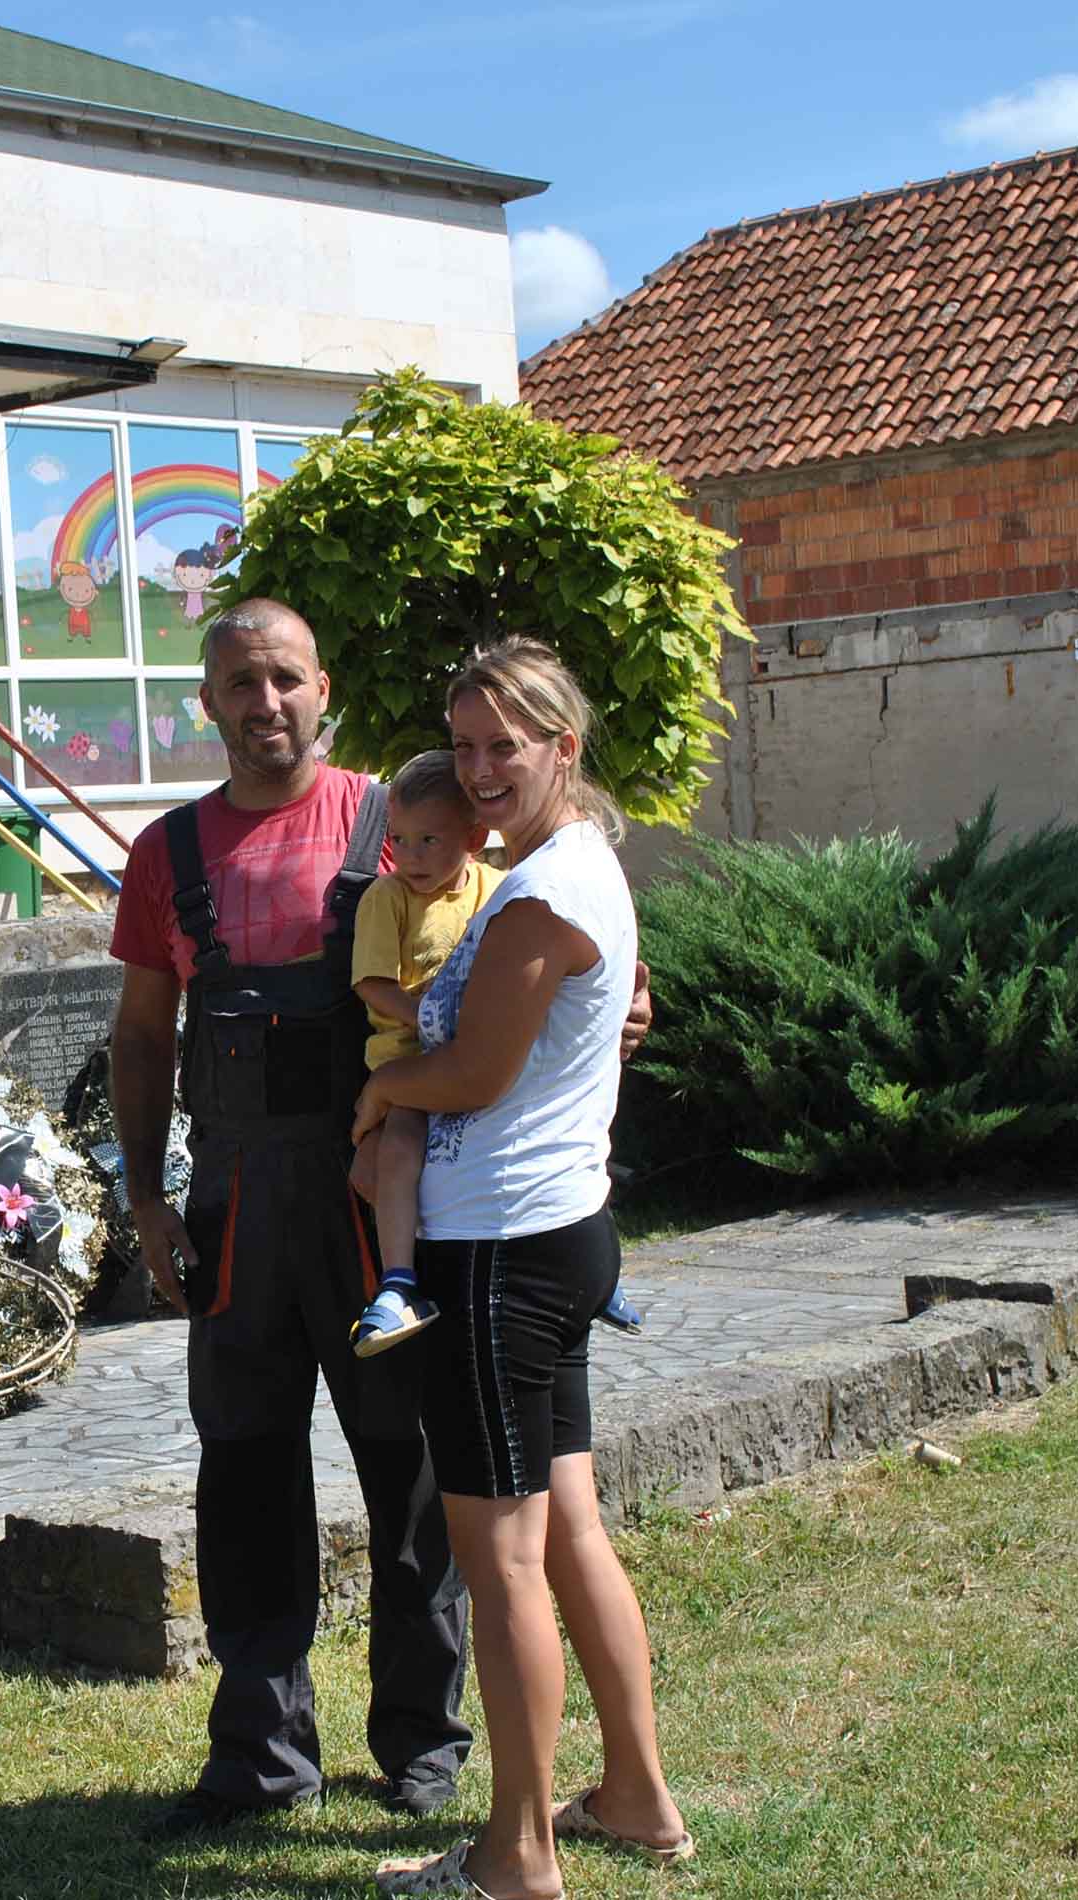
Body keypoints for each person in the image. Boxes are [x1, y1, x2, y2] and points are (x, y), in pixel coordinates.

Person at [108, 598, 474, 1838]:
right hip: (235, 1209)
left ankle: (421, 1743)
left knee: (405, 1467)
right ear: (207, 702)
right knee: (246, 1468)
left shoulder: (396, 818)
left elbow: (519, 922)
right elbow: (144, 1034)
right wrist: (147, 1196)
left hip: (374, 1200)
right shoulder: (165, 853)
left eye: (285, 679)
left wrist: (617, 986)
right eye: (240, 683)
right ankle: (262, 1755)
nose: (265, 703)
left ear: (323, 689)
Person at [358, 637, 692, 1899]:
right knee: (569, 1532)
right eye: (465, 746)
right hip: (553, 1234)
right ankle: (636, 1798)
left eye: (507, 745)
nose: (481, 770)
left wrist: (384, 1092)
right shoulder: (570, 864)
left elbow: (474, 1073)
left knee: (501, 1559)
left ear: (565, 745)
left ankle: (515, 1854)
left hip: (498, 1253)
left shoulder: (545, 889)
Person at [349, 749, 503, 1356]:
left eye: (428, 840)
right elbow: (372, 982)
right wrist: (426, 1014)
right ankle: (398, 1280)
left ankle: (593, 1259)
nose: (408, 856)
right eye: (399, 840)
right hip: (407, 1063)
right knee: (399, 1147)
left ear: (474, 838)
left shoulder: (498, 889)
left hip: (480, 1056)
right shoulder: (387, 898)